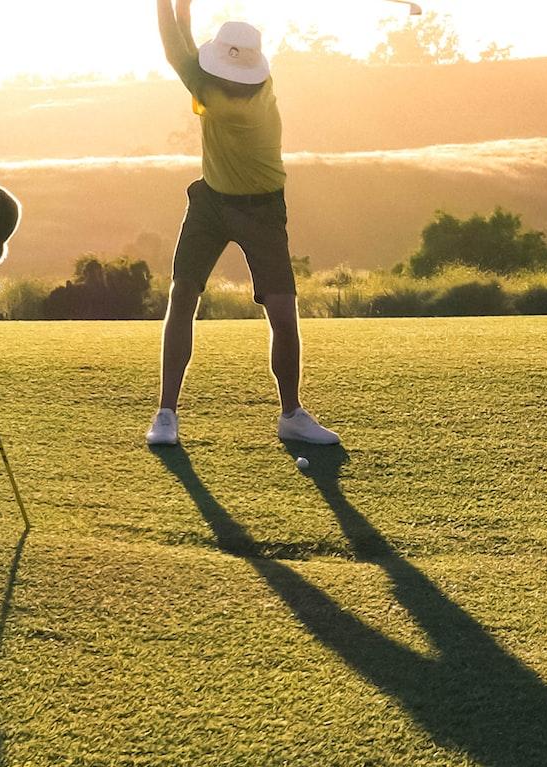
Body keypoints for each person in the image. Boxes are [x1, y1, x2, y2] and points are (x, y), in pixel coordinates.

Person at [150, 0, 340, 449]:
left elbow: (174, 47)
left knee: (282, 312)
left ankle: (291, 414)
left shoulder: (216, 93)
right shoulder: (253, 82)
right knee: (183, 295)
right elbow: (186, 49)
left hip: (261, 209)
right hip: (212, 201)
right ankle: (165, 413)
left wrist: (173, 6)